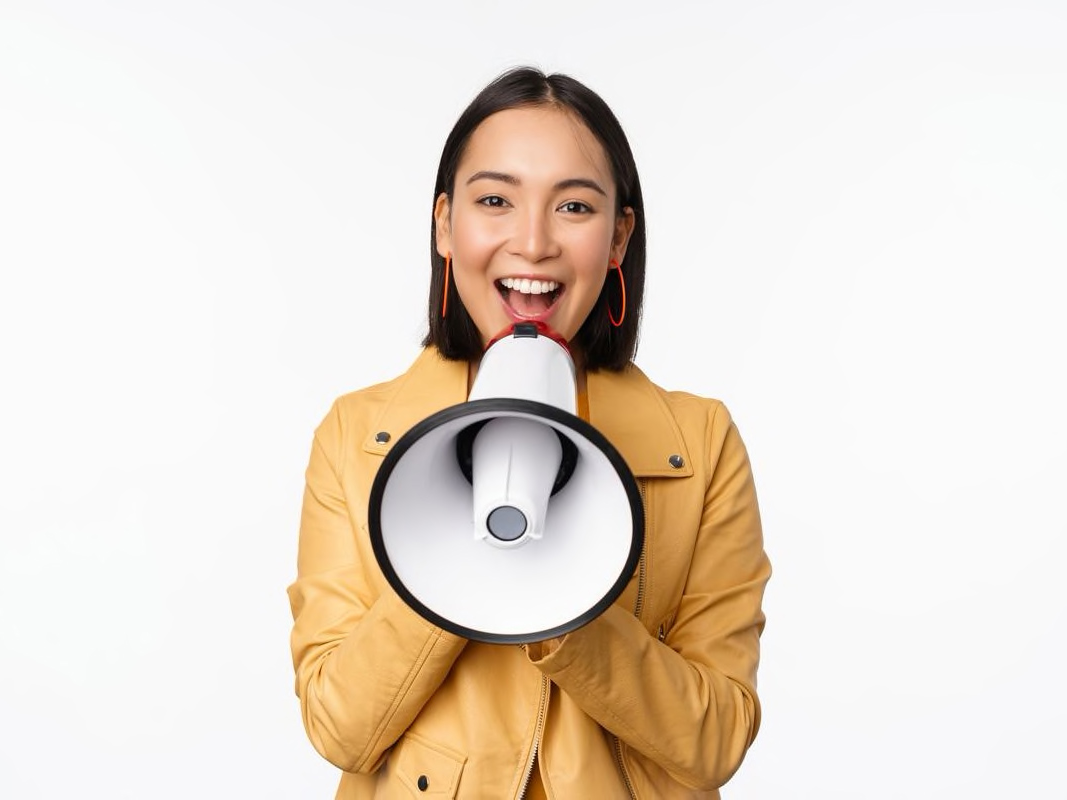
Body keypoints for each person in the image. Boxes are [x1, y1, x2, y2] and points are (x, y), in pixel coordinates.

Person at [288, 66, 771, 799]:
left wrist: (563, 602)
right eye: (494, 201)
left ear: (618, 237)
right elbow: (339, 729)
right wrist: (450, 567)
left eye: (574, 206)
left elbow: (717, 741)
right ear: (446, 225)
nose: (533, 242)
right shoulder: (356, 436)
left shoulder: (697, 443)